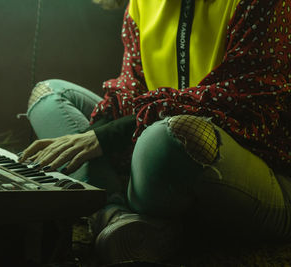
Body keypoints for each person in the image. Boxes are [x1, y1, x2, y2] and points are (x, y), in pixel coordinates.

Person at [19, 0, 291, 264]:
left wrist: (106, 137)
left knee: (167, 135)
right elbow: (128, 93)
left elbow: (245, 100)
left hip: (261, 173)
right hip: (159, 155)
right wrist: (92, 137)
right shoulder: (141, 3)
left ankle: (136, 215)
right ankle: (115, 216)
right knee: (50, 95)